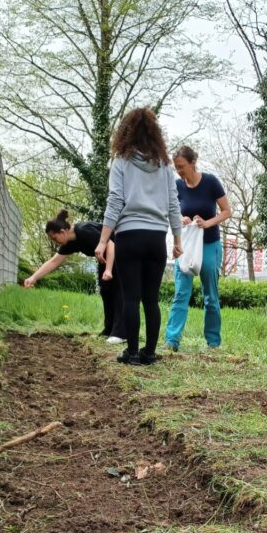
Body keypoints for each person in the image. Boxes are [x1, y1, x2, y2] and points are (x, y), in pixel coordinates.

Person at [94, 108, 182, 366]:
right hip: (156, 237)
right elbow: (173, 203)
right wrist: (177, 240)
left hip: (129, 235)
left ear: (125, 133)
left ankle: (132, 353)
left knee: (131, 297)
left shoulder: (121, 162)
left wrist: (102, 241)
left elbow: (115, 201)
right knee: (151, 299)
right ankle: (150, 353)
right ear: (156, 135)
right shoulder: (165, 165)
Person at [164, 146, 232, 351]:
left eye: (181, 166)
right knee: (181, 294)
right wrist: (180, 219)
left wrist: (208, 223)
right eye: (176, 167)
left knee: (210, 295)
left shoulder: (210, 182)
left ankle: (213, 342)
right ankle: (171, 341)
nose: (178, 171)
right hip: (185, 247)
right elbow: (170, 212)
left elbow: (227, 211)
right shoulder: (176, 186)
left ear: (192, 163)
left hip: (209, 245)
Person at [23, 212, 125, 342]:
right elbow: (54, 261)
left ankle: (120, 333)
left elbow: (111, 244)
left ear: (63, 231)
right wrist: (33, 278)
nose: (55, 242)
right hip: (105, 259)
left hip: (119, 253)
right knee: (105, 290)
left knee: (116, 290)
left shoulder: (83, 231)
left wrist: (109, 269)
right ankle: (109, 330)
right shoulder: (71, 242)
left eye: (55, 238)